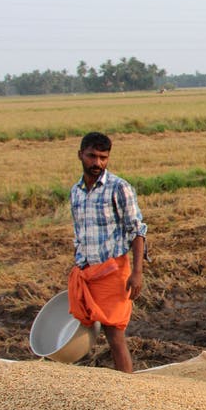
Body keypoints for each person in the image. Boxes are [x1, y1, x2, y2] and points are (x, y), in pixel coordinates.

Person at [68, 131, 148, 373]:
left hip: (113, 270)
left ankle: (126, 389)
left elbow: (137, 230)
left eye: (103, 157)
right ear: (80, 155)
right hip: (86, 270)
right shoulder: (76, 192)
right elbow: (80, 232)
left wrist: (137, 272)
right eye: (92, 156)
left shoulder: (118, 187)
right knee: (81, 327)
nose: (97, 163)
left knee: (114, 334)